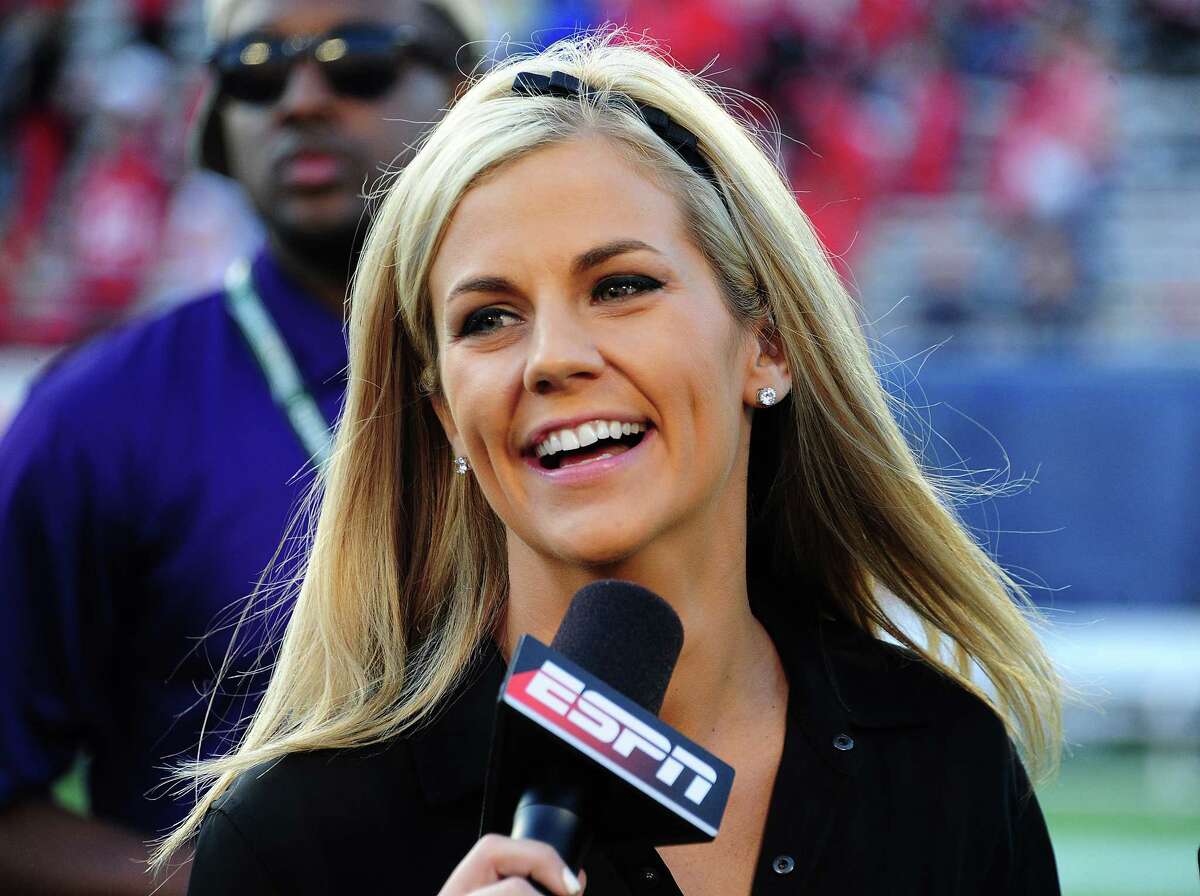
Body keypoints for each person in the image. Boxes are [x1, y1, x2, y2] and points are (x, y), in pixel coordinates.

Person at [157, 32, 1064, 895]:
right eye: (488, 317)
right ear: (443, 415)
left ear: (769, 345)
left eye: (620, 287)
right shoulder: (297, 839)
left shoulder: (948, 765)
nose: (552, 357)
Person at [0, 1, 481, 892]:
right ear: (218, 122)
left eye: (358, 59)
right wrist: (229, 882)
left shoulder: (562, 377)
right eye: (253, 70)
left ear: (465, 95)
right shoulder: (95, 418)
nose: (299, 98)